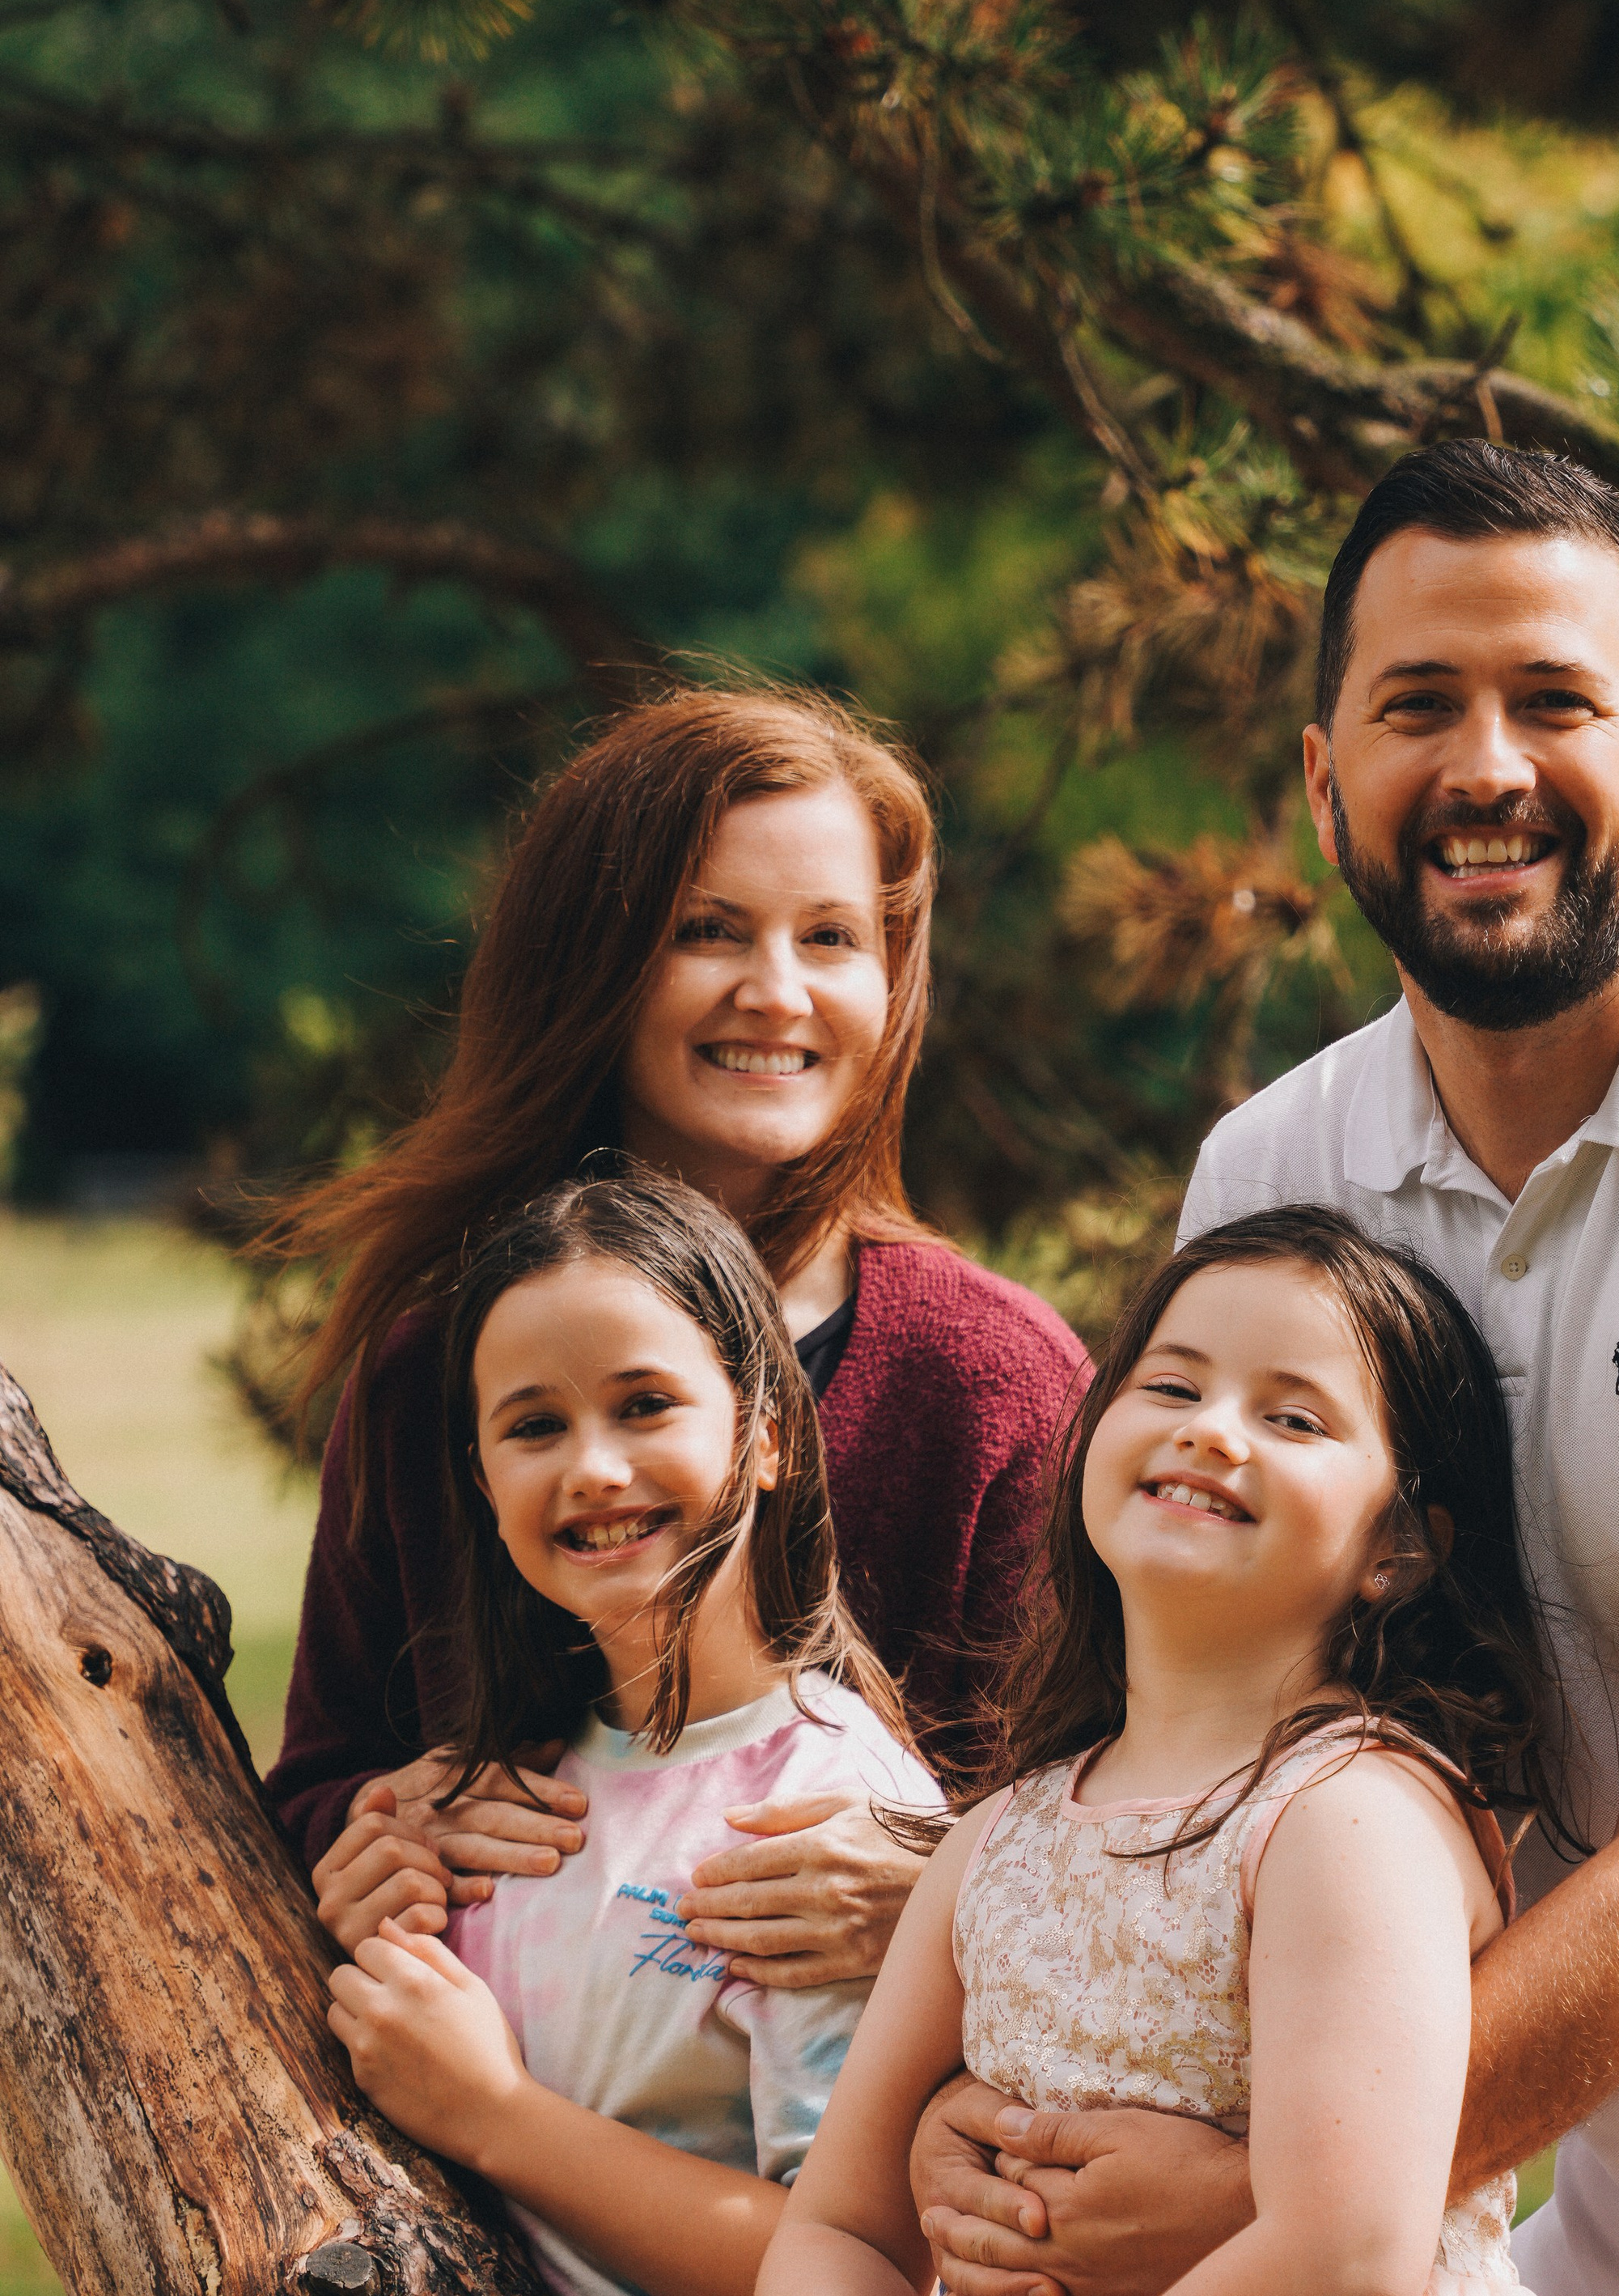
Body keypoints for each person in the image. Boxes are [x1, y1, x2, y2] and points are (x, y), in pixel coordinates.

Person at [913, 441, 1619, 2296]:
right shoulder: (1273, 1170)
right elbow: (1192, 1759)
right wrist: (979, 2105)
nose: (1484, 766)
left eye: (1552, 700)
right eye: (1416, 707)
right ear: (1324, 786)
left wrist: (1269, 2193)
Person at [337, 1206, 1566, 2296]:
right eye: (1173, 1384)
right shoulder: (1001, 1835)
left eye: (1291, 1414)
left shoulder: (1348, 1814)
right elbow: (842, 2221)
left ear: (1399, 1547)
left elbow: (1344, 2265)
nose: (1213, 1430)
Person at [265, 684, 1083, 1999]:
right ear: (589, 960)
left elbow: (1124, 1814)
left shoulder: (993, 1382)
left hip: (886, 2116)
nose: (778, 992)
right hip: (469, 2094)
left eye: (832, 936)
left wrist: (950, 1892)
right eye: (710, 930)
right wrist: (364, 1833)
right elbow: (324, 1769)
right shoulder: (433, 1366)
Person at [321, 1170, 944, 2296]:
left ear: (767, 1432)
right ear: (482, 1483)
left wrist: (498, 2114)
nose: (595, 1468)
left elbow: (863, 2287)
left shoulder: (822, 1817)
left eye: (645, 1404)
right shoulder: (505, 1800)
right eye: (533, 1426)